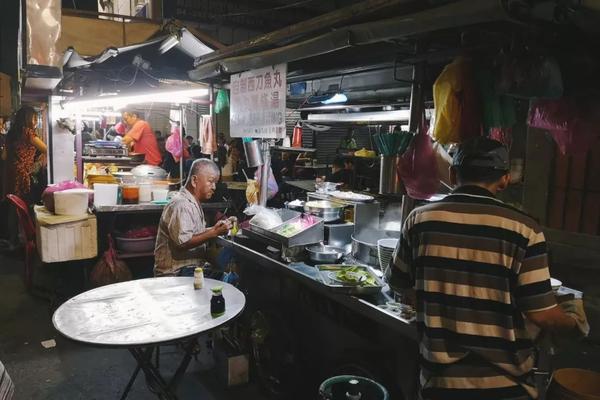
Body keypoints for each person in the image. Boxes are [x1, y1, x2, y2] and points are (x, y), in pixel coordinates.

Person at [387, 137, 587, 400]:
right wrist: (575, 324)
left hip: (440, 385)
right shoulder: (525, 229)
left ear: (453, 173)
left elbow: (398, 283)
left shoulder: (420, 219)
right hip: (507, 388)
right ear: (504, 180)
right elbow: (542, 315)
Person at [154, 159, 232, 277]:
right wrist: (213, 232)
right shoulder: (182, 204)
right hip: (175, 274)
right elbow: (183, 243)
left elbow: (192, 233)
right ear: (195, 180)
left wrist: (216, 228)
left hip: (189, 269)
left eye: (215, 183)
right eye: (210, 182)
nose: (214, 187)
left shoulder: (192, 201)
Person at [2, 106, 47, 201]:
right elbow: (47, 150)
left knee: (13, 202)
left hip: (10, 173)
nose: (35, 122)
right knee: (23, 202)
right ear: (28, 118)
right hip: (23, 175)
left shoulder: (11, 134)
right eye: (34, 118)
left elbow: (4, 156)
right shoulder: (28, 132)